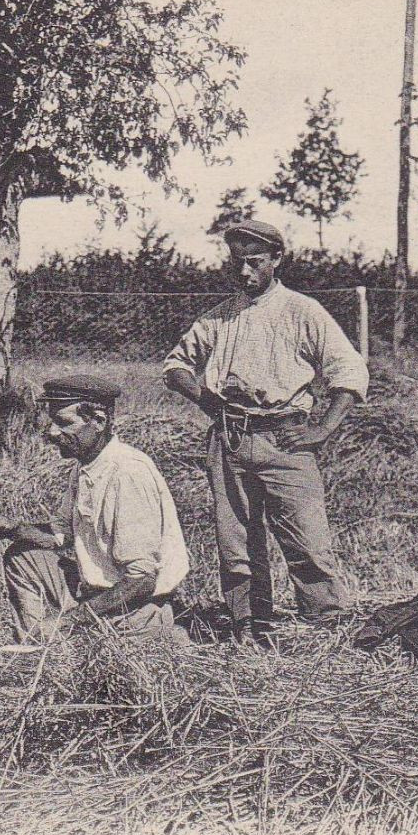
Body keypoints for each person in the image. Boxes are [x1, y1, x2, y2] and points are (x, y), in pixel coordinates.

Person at [163, 218, 368, 646]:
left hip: (286, 439)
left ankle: (324, 631)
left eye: (254, 262)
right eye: (237, 262)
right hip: (229, 440)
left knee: (308, 544)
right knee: (236, 544)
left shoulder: (302, 311)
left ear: (276, 259)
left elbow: (348, 370)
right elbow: (175, 364)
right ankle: (250, 631)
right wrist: (206, 399)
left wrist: (323, 428)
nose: (244, 273)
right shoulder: (221, 317)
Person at [0, 375, 191, 645]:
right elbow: (61, 534)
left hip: (132, 608)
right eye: (52, 422)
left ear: (99, 421)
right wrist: (9, 528)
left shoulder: (128, 472)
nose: (51, 432)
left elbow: (141, 581)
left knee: (74, 652)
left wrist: (70, 620)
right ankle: (37, 643)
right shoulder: (86, 464)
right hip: (97, 596)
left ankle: (154, 633)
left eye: (63, 423)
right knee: (23, 556)